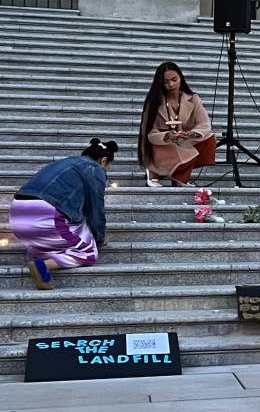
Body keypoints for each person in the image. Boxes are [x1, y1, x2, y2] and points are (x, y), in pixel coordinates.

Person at [11, 139, 117, 290]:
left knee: (74, 228)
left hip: (17, 216)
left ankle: (39, 253)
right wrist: (99, 238)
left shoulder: (65, 162)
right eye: (108, 166)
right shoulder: (94, 169)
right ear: (104, 160)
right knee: (89, 252)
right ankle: (43, 265)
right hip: (46, 217)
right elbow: (95, 210)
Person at [138, 61, 215, 187]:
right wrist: (166, 136)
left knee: (210, 140)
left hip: (184, 141)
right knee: (177, 150)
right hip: (162, 145)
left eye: (174, 79)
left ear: (181, 78)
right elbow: (149, 134)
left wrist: (192, 133)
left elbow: (205, 125)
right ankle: (154, 171)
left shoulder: (193, 99)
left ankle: (178, 174)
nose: (171, 84)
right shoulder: (154, 103)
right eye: (166, 82)